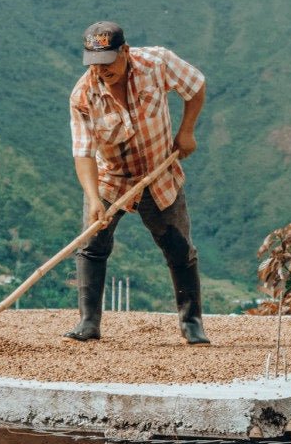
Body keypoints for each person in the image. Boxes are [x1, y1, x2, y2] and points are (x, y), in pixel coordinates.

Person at [63, 21, 211, 345]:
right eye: (94, 65)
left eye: (108, 62)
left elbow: (195, 85)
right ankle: (88, 323)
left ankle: (192, 322)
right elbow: (83, 153)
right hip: (111, 175)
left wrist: (187, 131)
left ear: (125, 52)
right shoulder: (83, 95)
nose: (102, 71)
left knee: (179, 248)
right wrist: (92, 198)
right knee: (91, 245)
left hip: (159, 170)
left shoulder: (156, 63)